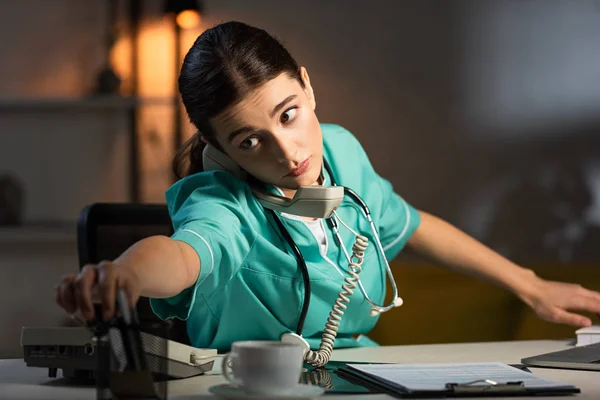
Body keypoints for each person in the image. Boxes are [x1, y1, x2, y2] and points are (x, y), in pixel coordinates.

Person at [55, 21, 600, 353]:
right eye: (249, 142)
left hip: (358, 367)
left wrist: (531, 285)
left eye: (289, 115)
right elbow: (183, 254)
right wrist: (124, 272)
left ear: (308, 87)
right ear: (218, 149)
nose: (288, 153)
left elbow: (411, 224)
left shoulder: (340, 149)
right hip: (248, 381)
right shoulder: (222, 202)